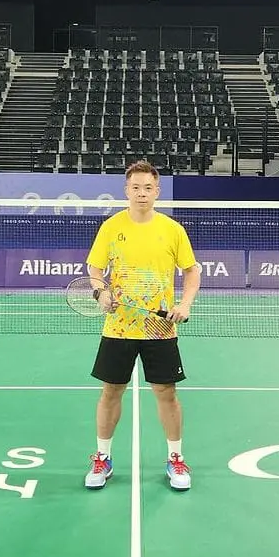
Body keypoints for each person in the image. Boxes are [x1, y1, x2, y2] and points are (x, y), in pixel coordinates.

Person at [84, 160, 201, 492]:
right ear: (127, 190)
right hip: (119, 326)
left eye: (148, 187)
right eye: (135, 187)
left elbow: (192, 271)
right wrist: (100, 292)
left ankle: (175, 457)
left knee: (167, 392)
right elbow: (94, 268)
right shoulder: (111, 226)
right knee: (111, 391)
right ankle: (102, 458)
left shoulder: (172, 229)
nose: (141, 193)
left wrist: (185, 304)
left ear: (157, 191)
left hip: (159, 328)